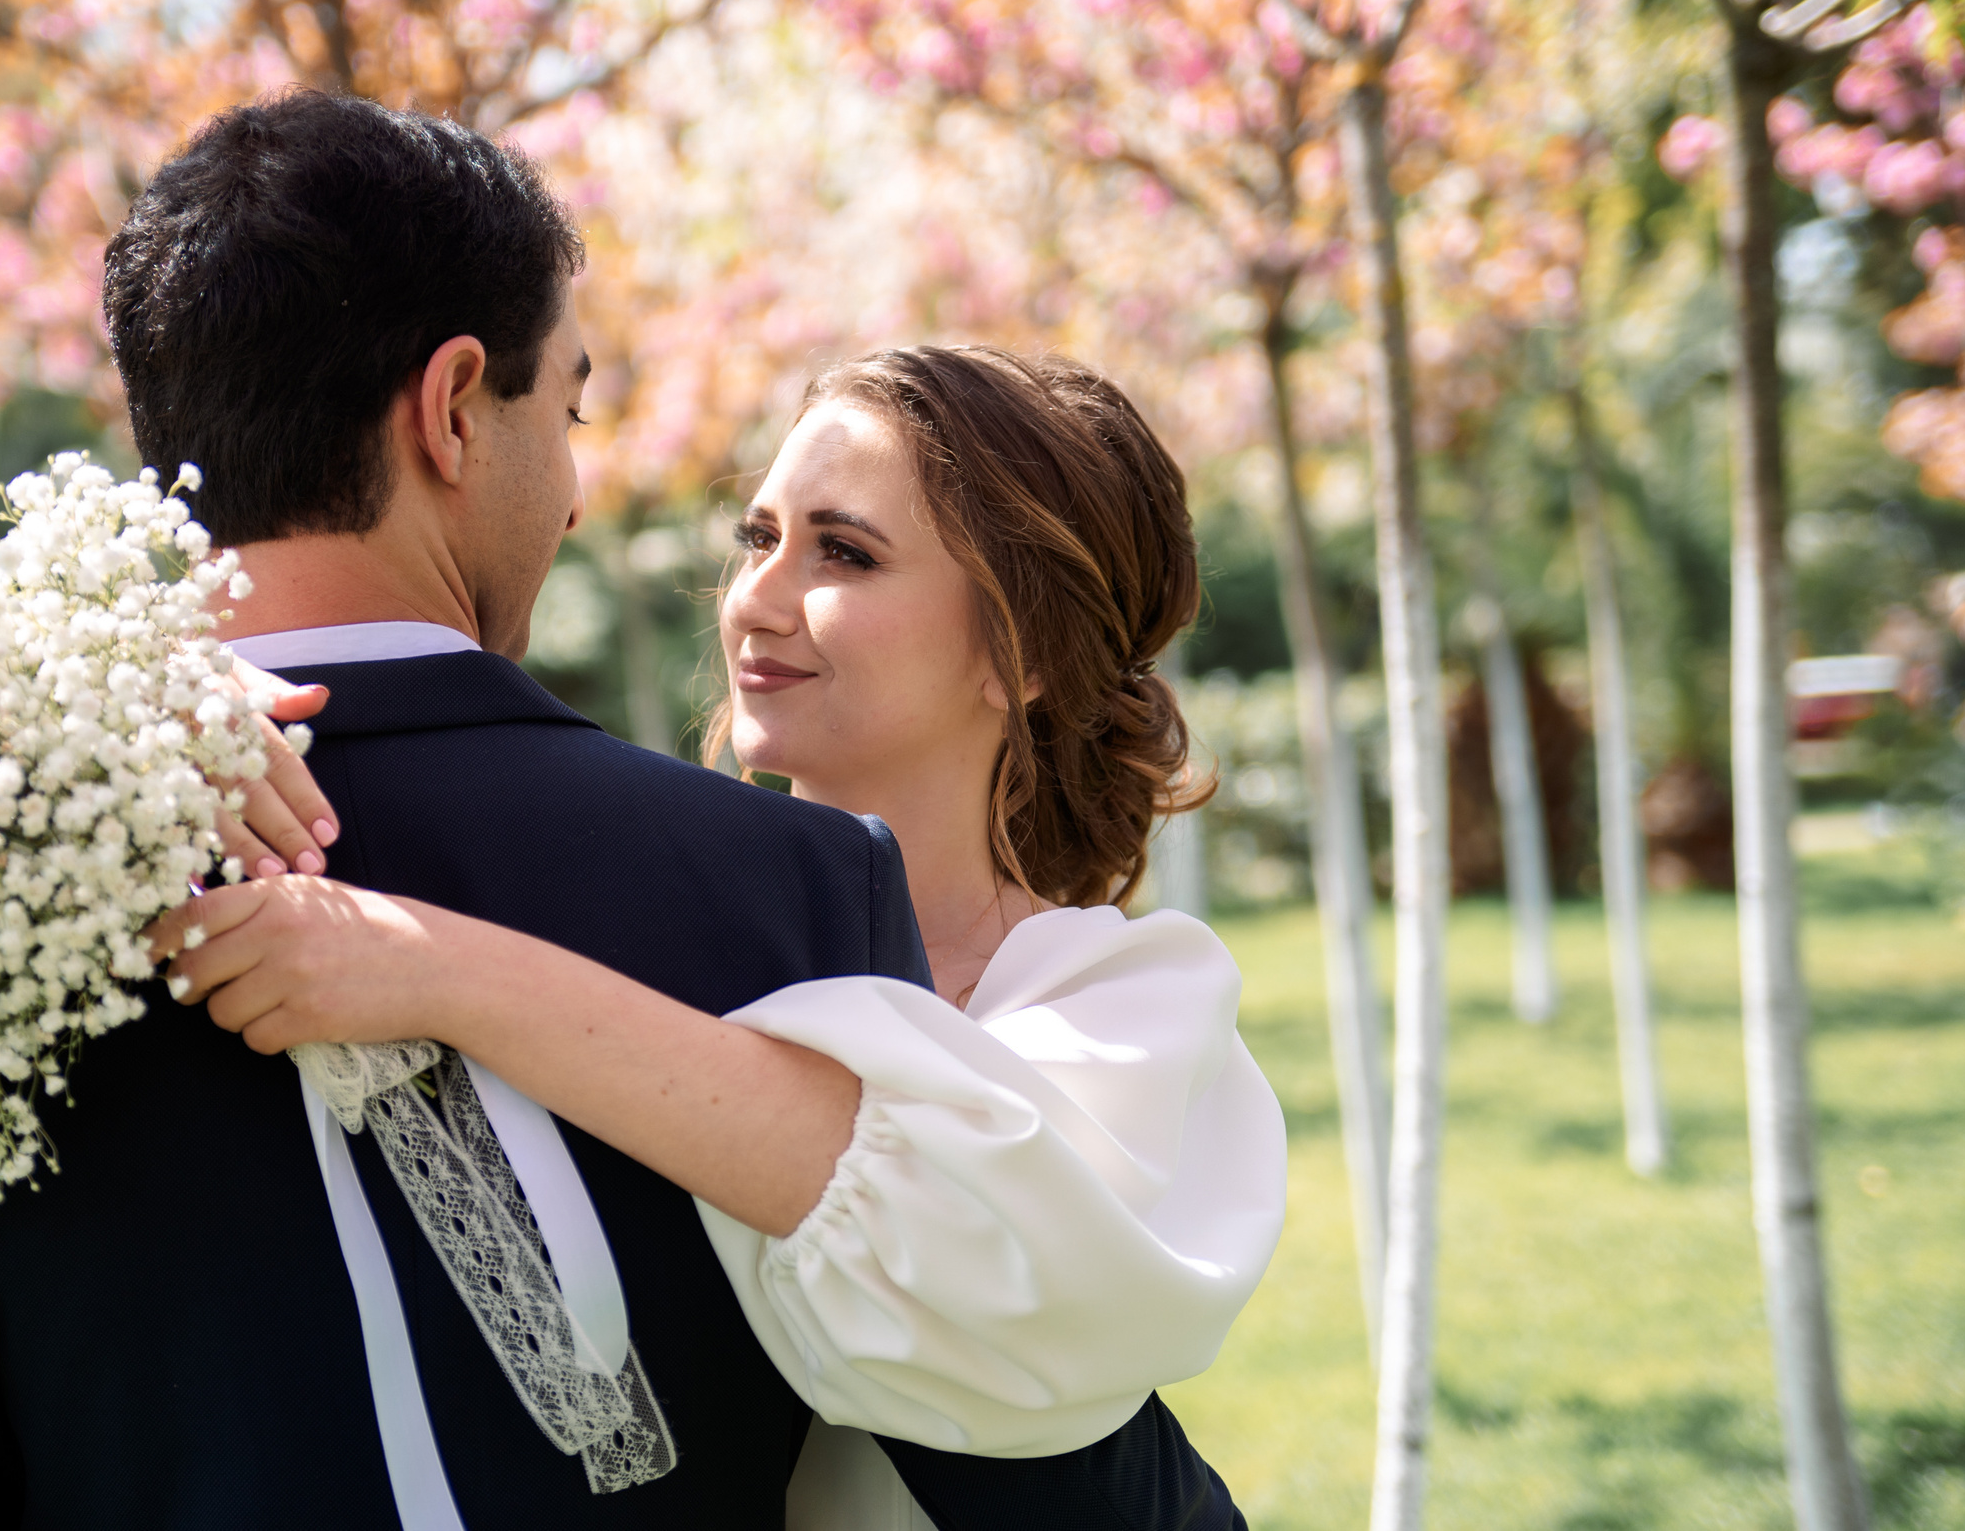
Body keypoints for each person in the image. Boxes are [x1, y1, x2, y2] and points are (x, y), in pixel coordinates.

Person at [0, 88, 1230, 1530]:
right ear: (457, 408)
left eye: (841, 548)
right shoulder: (777, 893)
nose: (585, 494)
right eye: (570, 403)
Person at [160, 346, 1287, 1530]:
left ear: (1033, 655)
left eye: (843, 551)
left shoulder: (1118, 1010)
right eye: (758, 537)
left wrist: (432, 968)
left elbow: (973, 1287)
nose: (755, 595)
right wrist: (172, 705)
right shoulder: (638, 908)